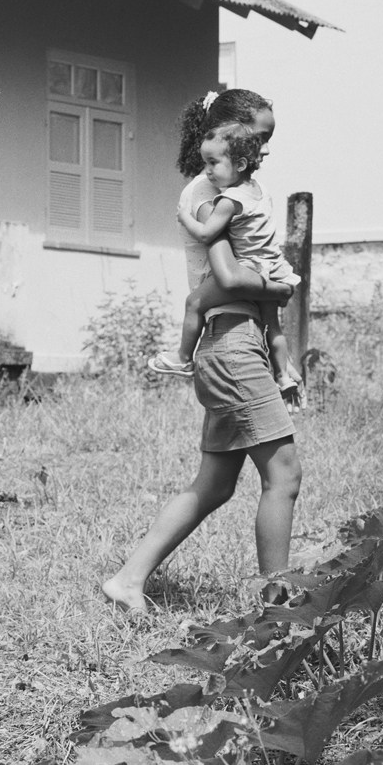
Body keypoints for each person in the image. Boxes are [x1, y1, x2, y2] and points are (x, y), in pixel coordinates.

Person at [103, 90, 299, 616]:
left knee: (214, 484)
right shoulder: (213, 192)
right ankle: (276, 607)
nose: (263, 148)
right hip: (231, 344)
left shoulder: (236, 187)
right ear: (231, 131)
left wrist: (279, 346)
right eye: (258, 136)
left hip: (232, 342)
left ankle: (128, 578)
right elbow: (231, 277)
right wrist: (279, 290)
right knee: (284, 476)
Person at [151, 122, 298, 393]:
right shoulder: (260, 190)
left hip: (248, 267)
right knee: (273, 325)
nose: (207, 171)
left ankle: (183, 358)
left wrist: (185, 216)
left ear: (240, 164)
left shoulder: (229, 200)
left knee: (194, 303)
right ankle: (283, 376)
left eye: (213, 163)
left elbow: (207, 235)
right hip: (272, 266)